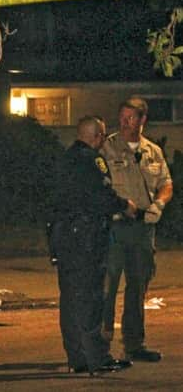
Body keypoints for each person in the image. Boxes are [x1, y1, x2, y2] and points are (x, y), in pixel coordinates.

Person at [49, 115, 136, 376]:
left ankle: (76, 357)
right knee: (90, 297)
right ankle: (98, 357)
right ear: (96, 136)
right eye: (102, 135)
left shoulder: (65, 158)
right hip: (86, 238)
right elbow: (101, 195)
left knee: (70, 297)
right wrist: (125, 206)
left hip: (64, 236)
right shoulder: (91, 160)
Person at [101, 97, 173, 362]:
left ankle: (134, 344)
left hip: (143, 228)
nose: (124, 122)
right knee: (107, 286)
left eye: (131, 117)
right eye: (122, 117)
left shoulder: (153, 150)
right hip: (115, 227)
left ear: (143, 120)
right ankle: (101, 345)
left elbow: (166, 183)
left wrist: (159, 205)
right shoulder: (107, 147)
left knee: (138, 286)